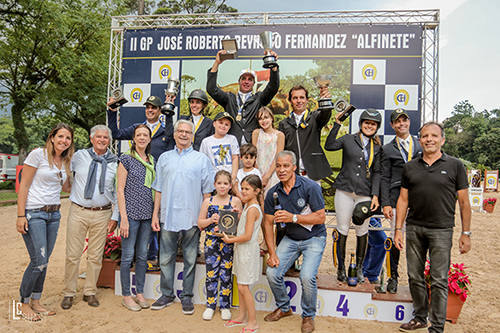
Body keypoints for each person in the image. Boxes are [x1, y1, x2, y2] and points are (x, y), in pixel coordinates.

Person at [394, 122, 471, 333]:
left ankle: (436, 327)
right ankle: (420, 317)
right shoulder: (410, 167)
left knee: (439, 280)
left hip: (442, 230)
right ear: (420, 141)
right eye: (425, 136)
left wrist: (466, 233)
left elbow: (464, 202)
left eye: (434, 136)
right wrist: (398, 229)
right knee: (414, 276)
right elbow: (402, 200)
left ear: (442, 140)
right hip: (414, 229)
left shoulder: (455, 165)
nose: (429, 139)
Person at [150, 119, 215, 315]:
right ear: (175, 134)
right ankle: (167, 294)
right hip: (168, 216)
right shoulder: (164, 158)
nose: (184, 134)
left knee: (190, 258)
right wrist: (155, 215)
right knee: (166, 258)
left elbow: (207, 193)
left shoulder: (201, 160)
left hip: (192, 217)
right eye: (180, 131)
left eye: (188, 132)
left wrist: (204, 218)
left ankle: (187, 296)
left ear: (192, 136)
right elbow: (158, 189)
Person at [263, 151, 326, 333]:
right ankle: (284, 308)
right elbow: (268, 224)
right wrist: (272, 253)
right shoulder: (273, 193)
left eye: (286, 166)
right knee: (272, 272)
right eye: (278, 166)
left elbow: (321, 217)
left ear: (294, 167)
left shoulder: (310, 186)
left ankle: (308, 316)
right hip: (291, 239)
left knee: (306, 277)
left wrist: (294, 218)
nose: (282, 170)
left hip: (314, 237)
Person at [16, 123, 74, 321]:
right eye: (60, 137)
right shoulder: (37, 155)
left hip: (54, 214)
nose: (64, 141)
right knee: (38, 260)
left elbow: (66, 188)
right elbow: (23, 186)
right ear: (52, 137)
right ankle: (23, 304)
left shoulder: (65, 161)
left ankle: (36, 301)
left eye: (68, 138)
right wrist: (20, 215)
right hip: (34, 213)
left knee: (44, 261)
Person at [107, 94, 174, 261]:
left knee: (155, 222)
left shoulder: (167, 130)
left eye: (154, 107)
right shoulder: (138, 128)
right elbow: (115, 133)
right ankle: (134, 261)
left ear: (160, 110)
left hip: (158, 183)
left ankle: (154, 259)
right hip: (138, 183)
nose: (150, 110)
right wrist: (112, 111)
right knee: (138, 226)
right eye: (148, 107)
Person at [61, 125, 118, 310]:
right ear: (91, 138)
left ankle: (89, 291)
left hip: (102, 213)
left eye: (106, 138)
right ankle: (69, 293)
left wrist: (115, 216)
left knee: (95, 256)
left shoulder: (114, 162)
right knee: (72, 255)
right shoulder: (78, 156)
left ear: (109, 141)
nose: (102, 140)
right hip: (79, 211)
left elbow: (118, 192)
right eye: (99, 137)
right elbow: (64, 173)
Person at [324, 109, 382, 284]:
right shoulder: (349, 139)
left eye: (373, 124)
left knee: (362, 230)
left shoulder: (378, 147)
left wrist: (375, 196)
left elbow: (378, 172)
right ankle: (341, 268)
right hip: (344, 191)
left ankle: (358, 269)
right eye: (367, 123)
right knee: (342, 229)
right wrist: (337, 124)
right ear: (361, 124)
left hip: (365, 194)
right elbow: (329, 145)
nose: (369, 126)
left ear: (376, 127)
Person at [380, 108, 422, 293]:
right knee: (394, 238)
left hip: (421, 200)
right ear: (392, 125)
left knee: (420, 240)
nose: (401, 124)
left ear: (409, 122)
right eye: (397, 122)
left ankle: (418, 279)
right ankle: (392, 277)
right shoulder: (387, 149)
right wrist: (386, 203)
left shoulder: (421, 145)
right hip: (397, 200)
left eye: (404, 120)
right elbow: (384, 178)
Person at [117, 124, 155, 311]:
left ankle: (139, 292)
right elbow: (120, 189)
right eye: (138, 134)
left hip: (147, 215)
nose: (141, 137)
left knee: (142, 256)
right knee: (127, 257)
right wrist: (123, 217)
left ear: (149, 138)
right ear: (133, 138)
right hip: (130, 215)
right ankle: (126, 295)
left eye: (145, 135)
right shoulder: (126, 159)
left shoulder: (152, 160)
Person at [207, 49, 280, 145]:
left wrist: (273, 65)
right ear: (239, 81)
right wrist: (217, 63)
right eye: (243, 79)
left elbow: (273, 87)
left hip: (252, 148)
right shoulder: (229, 99)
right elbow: (211, 89)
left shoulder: (259, 99)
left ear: (253, 83)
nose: (246, 82)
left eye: (250, 79)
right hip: (232, 147)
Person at [197, 170, 242, 321]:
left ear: (230, 185)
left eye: (225, 183)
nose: (222, 186)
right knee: (211, 274)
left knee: (226, 274)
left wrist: (238, 214)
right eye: (219, 183)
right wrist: (210, 220)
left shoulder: (235, 201)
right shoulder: (208, 202)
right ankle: (210, 305)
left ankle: (224, 306)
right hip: (211, 243)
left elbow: (241, 224)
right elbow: (200, 223)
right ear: (214, 184)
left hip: (228, 243)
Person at [222, 175, 263, 333]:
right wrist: (238, 216)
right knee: (240, 286)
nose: (243, 192)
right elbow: (244, 229)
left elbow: (247, 236)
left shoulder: (252, 209)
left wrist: (230, 240)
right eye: (242, 188)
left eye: (247, 189)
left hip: (246, 250)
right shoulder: (248, 206)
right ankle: (242, 316)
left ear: (256, 191)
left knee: (243, 287)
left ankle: (253, 322)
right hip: (241, 249)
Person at [278, 85, 332, 184]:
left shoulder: (315, 117)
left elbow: (325, 113)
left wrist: (326, 100)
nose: (299, 101)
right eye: (295, 98)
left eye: (302, 97)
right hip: (292, 175)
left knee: (313, 200)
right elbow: (283, 149)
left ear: (307, 100)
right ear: (290, 101)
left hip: (312, 175)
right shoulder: (283, 124)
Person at [252, 106, 285, 196]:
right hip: (258, 172)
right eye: (260, 118)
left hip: (273, 173)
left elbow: (278, 157)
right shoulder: (256, 133)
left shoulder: (279, 135)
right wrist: (258, 173)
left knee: (272, 200)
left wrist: (267, 176)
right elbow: (253, 155)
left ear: (272, 118)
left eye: (266, 117)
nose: (264, 121)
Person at [199, 112, 240, 184]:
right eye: (221, 122)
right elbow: (203, 162)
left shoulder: (232, 139)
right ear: (214, 123)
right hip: (214, 179)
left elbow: (235, 158)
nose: (223, 126)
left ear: (229, 127)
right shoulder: (206, 142)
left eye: (227, 124)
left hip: (229, 178)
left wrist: (233, 177)